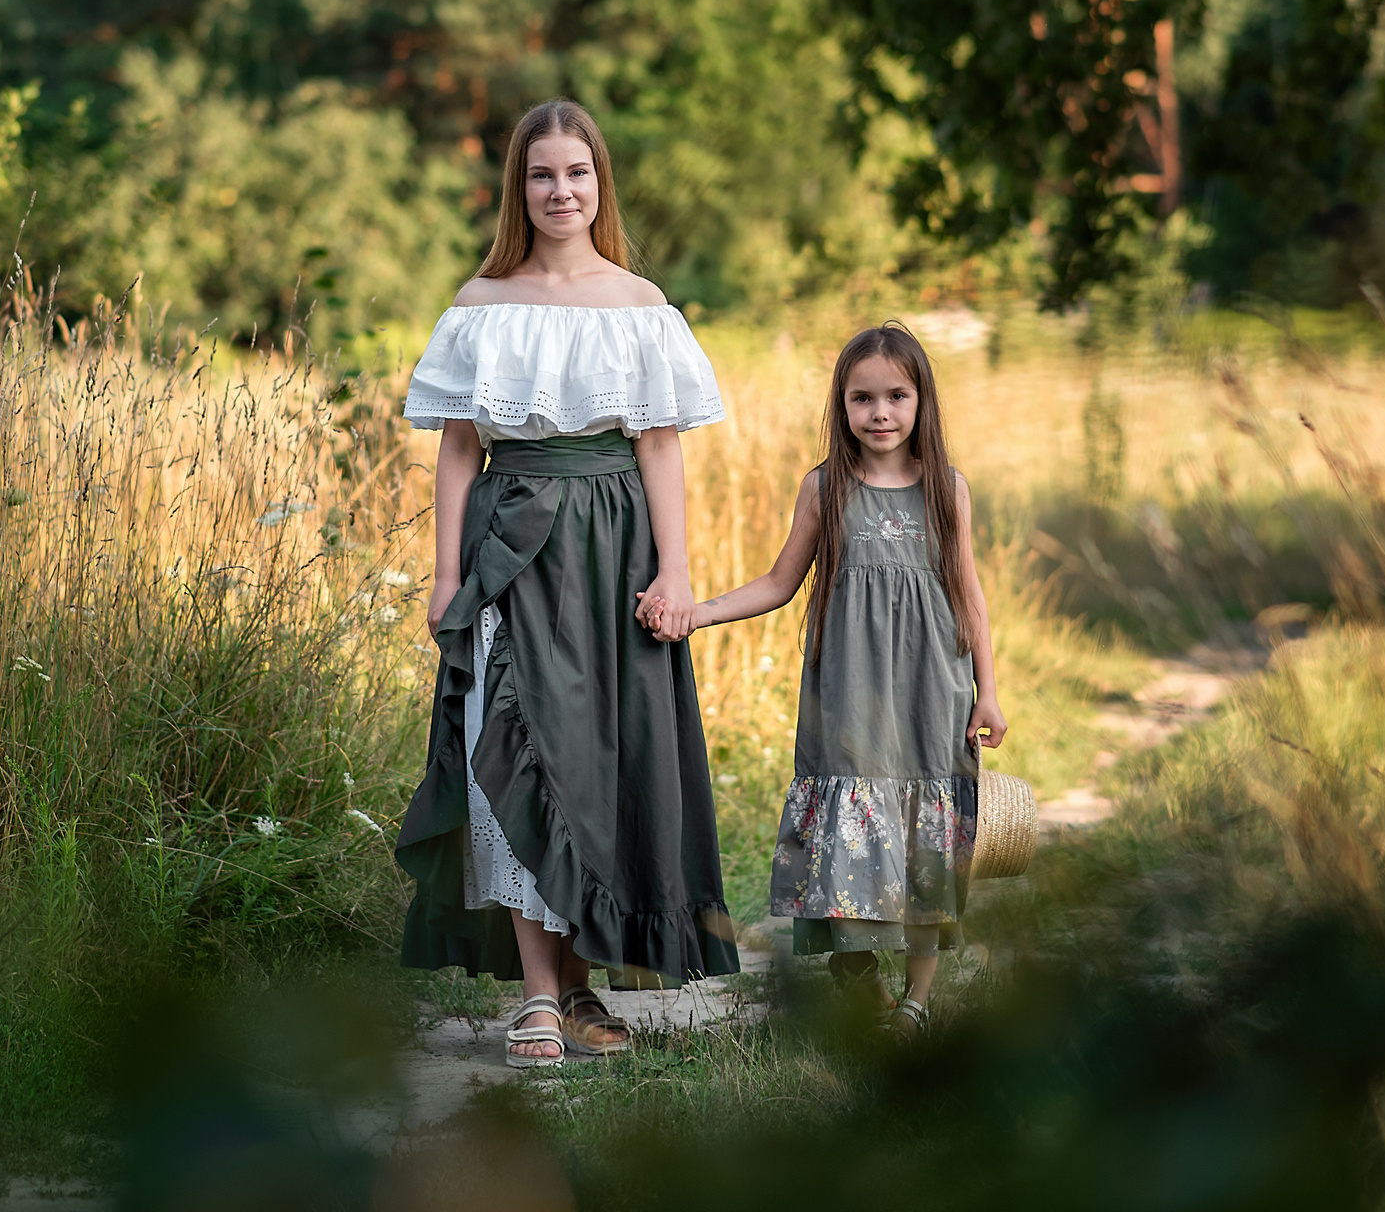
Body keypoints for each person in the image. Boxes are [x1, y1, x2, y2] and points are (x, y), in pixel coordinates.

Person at [395, 98, 740, 1069]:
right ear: (520, 187)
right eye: (541, 175)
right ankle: (537, 997)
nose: (560, 191)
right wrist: (445, 570)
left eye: (576, 174)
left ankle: (581, 981)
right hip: (511, 542)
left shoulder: (638, 304)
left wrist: (675, 571)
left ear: (599, 185)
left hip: (616, 545)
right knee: (505, 747)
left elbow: (660, 448)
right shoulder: (479, 306)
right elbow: (459, 452)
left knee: (604, 760)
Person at [645, 323, 1006, 1039]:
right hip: (849, 697)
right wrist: (699, 612)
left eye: (896, 396)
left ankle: (917, 1002)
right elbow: (782, 582)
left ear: (921, 400)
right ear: (841, 406)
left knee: (925, 841)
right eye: (862, 398)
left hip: (932, 692)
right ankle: (860, 972)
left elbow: (970, 596)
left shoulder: (947, 490)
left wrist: (987, 692)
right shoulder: (826, 488)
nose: (880, 413)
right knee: (851, 834)